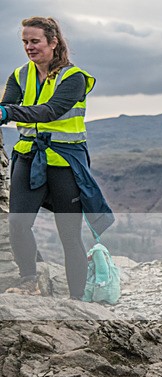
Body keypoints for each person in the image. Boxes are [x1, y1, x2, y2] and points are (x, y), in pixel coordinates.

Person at [0, 16, 113, 299]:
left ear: (53, 42)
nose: (29, 47)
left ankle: (76, 301)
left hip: (64, 162)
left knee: (69, 235)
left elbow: (50, 110)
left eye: (34, 41)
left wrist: (7, 113)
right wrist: (4, 111)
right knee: (17, 223)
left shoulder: (74, 78)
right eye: (25, 42)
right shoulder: (19, 75)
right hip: (28, 157)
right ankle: (29, 281)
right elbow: (6, 106)